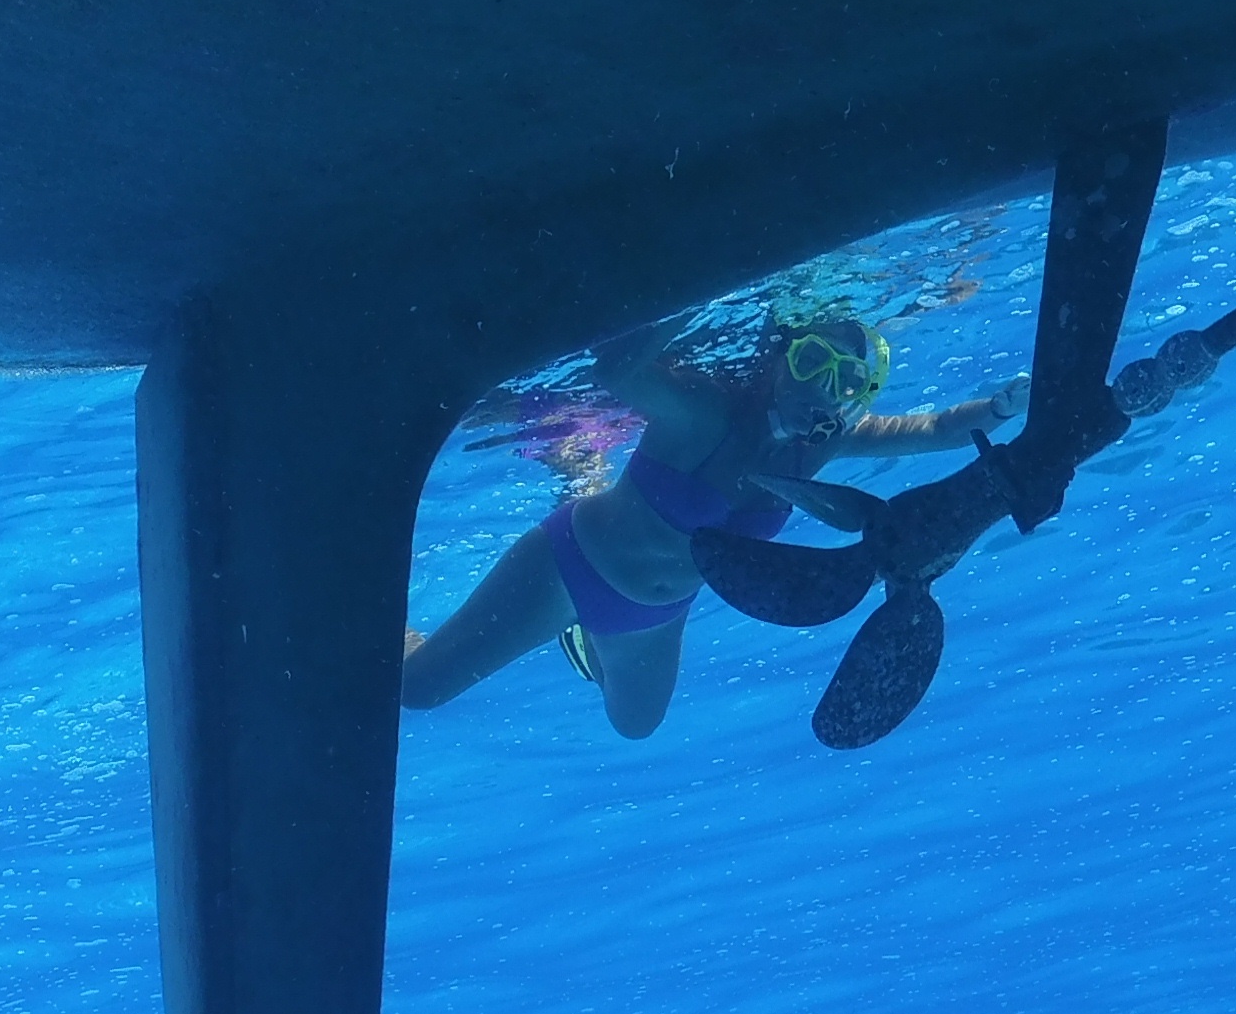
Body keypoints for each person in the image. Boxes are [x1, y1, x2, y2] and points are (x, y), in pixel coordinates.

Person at [403, 309, 1006, 736]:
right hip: (567, 567)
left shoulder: (818, 447)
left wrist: (1006, 405)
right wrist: (691, 293)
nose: (823, 389)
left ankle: (583, 634)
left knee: (635, 726)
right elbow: (615, 375)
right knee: (417, 688)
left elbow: (935, 428)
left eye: (845, 379)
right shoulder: (706, 409)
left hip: (653, 615)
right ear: (778, 357)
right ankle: (384, 617)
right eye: (810, 361)